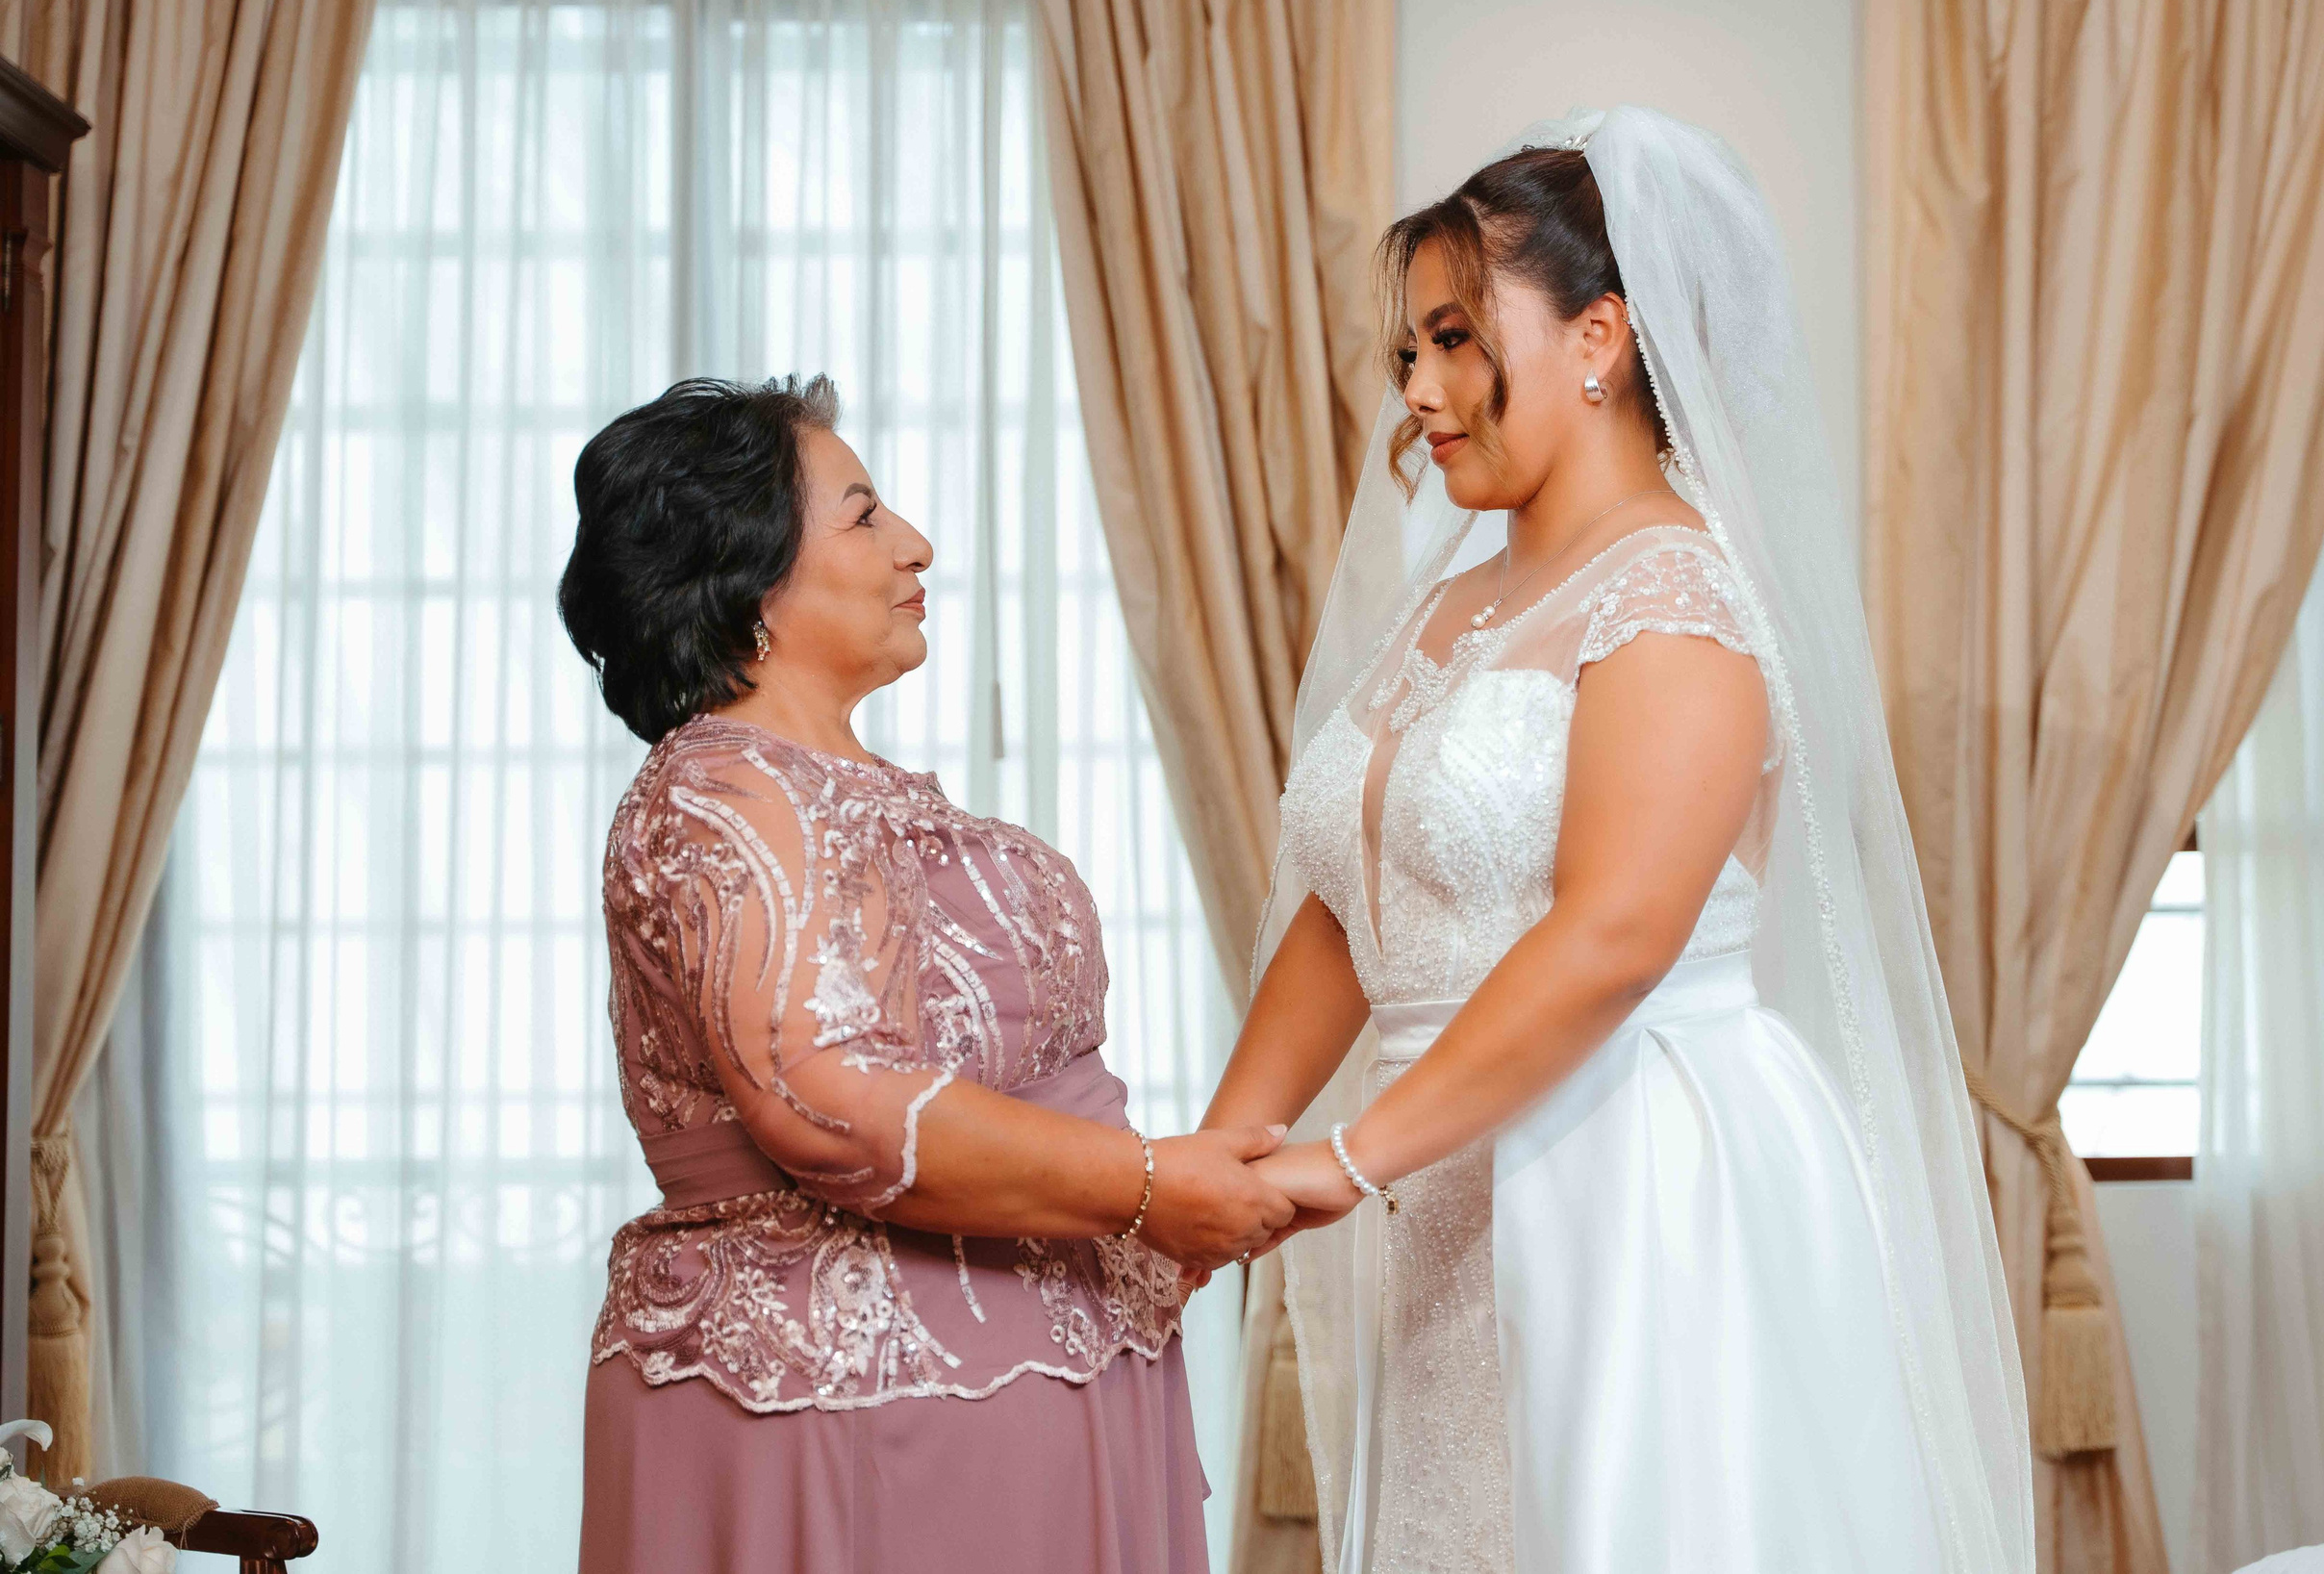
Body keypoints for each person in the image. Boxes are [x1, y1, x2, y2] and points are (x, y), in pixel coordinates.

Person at [1204, 108, 2035, 1572]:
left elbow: (1611, 937)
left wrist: (1349, 1151)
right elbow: (1354, 900)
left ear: (1600, 338)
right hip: (1442, 1170)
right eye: (1408, 350)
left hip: (1636, 1169)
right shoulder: (1447, 601)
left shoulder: (1677, 594)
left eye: (1459, 338)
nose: (1421, 388)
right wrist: (1229, 1149)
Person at [560, 374, 1288, 1573]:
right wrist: (1150, 1186)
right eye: (861, 515)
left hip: (1040, 1388)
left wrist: (1166, 1202)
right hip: (859, 1411)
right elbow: (829, 1103)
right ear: (749, 582)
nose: (915, 544)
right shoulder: (719, 795)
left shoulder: (839, 791)